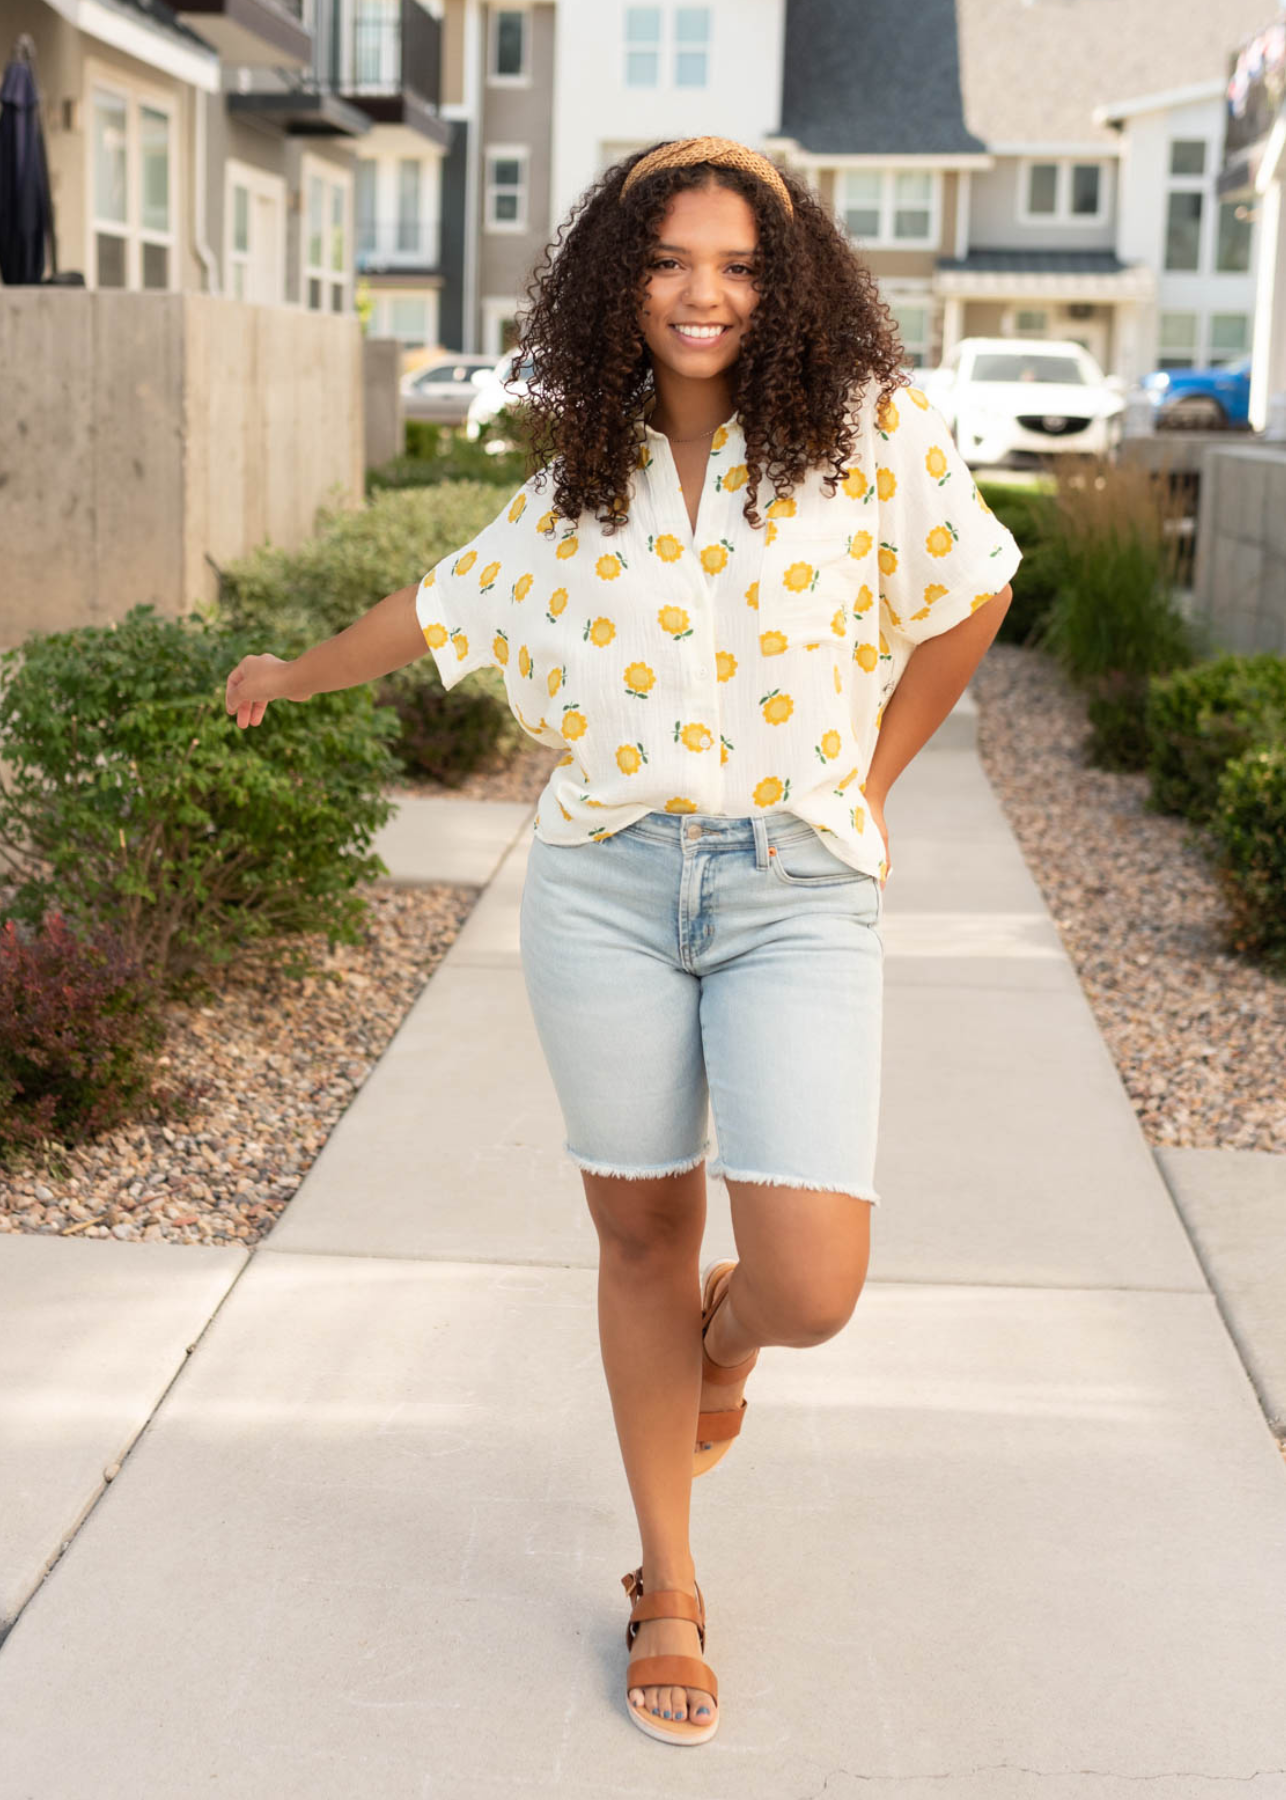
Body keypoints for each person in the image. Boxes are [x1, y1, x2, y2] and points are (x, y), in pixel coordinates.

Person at [225, 134, 1021, 1749]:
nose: (702, 293)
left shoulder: (865, 440)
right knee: (637, 1241)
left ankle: (729, 1347)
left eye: (735, 264)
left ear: (783, 285)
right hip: (603, 889)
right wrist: (286, 675)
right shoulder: (574, 483)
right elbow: (436, 607)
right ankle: (667, 1581)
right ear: (619, 281)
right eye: (668, 261)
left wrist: (865, 779)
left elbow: (971, 590)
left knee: (810, 1284)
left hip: (794, 883)